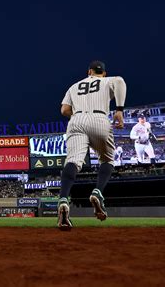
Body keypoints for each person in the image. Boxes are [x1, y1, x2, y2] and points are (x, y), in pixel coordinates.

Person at [57, 60, 127, 231]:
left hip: (77, 120)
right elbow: (120, 81)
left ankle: (63, 200)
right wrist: (119, 110)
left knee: (72, 161)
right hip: (99, 118)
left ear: (89, 71)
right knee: (108, 160)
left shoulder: (74, 86)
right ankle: (97, 192)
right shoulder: (107, 80)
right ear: (103, 73)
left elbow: (64, 110)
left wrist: (79, 115)